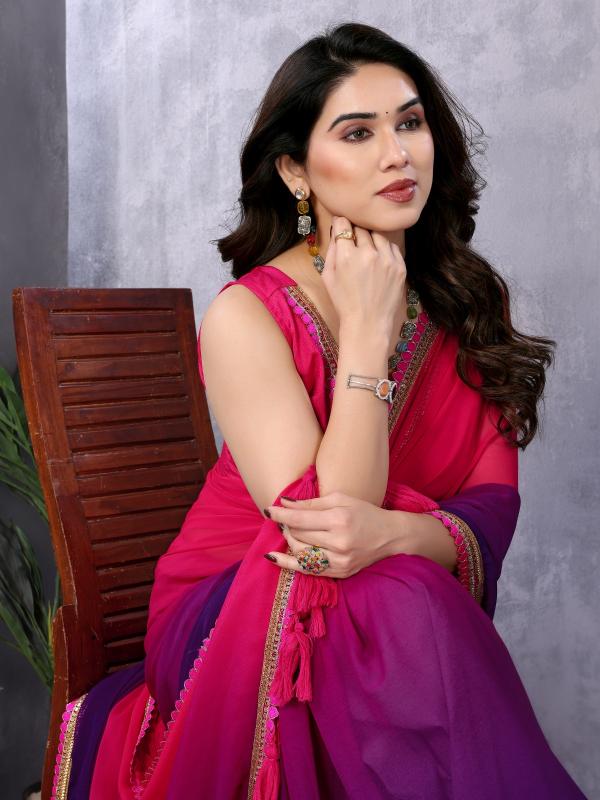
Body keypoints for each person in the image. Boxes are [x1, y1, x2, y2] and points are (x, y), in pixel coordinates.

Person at [52, 22, 587, 800]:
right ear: (296, 171)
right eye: (358, 133)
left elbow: (491, 501)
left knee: (394, 596)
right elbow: (323, 533)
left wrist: (395, 534)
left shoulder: (469, 301)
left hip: (392, 594)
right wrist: (367, 335)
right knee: (390, 599)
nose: (398, 154)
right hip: (238, 598)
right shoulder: (248, 316)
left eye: (410, 122)